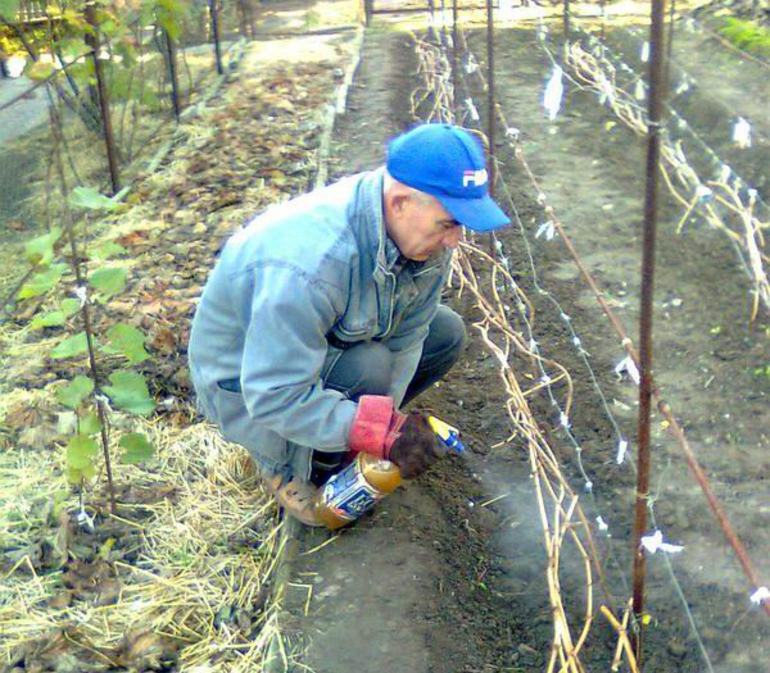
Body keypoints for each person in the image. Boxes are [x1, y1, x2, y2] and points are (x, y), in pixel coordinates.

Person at [188, 123, 510, 526]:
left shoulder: (420, 235)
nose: (454, 241)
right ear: (400, 203)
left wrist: (384, 425)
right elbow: (272, 393)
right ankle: (290, 466)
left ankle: (339, 440)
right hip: (247, 388)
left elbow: (409, 339)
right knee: (370, 365)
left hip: (314, 351)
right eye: (448, 224)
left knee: (445, 333)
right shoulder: (311, 265)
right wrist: (378, 430)